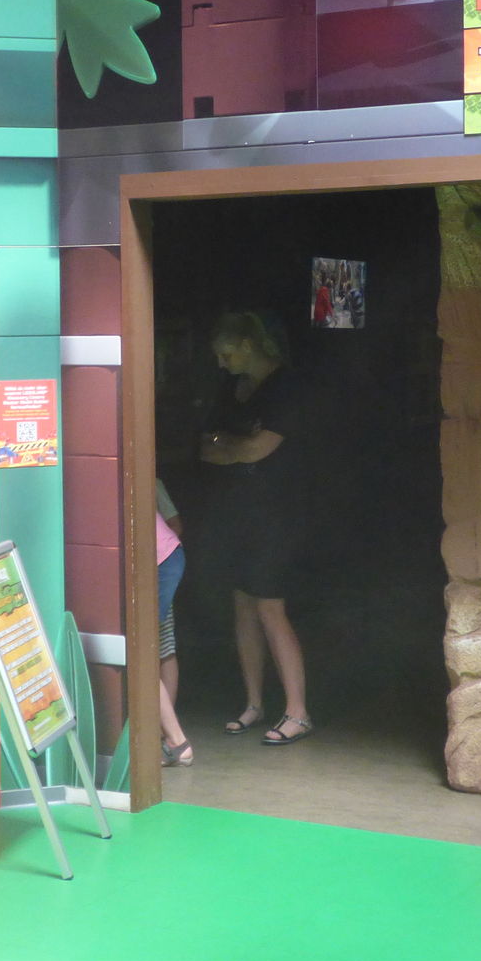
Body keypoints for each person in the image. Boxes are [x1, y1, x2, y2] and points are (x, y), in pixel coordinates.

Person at [198, 311, 311, 746]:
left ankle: (298, 711)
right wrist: (236, 447)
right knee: (243, 603)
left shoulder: (286, 386)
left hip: (276, 512)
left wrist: (231, 446)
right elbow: (206, 446)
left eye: (226, 354)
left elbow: (257, 448)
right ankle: (254, 704)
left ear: (248, 345)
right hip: (237, 511)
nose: (221, 364)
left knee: (269, 606)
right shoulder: (231, 387)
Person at [156, 478, 190, 766]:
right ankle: (168, 738)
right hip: (164, 558)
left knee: (142, 654)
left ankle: (175, 740)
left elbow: (175, 523)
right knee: (161, 648)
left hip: (158, 561)